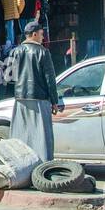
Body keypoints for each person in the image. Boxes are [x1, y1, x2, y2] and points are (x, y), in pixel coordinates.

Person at [7, 21, 62, 161]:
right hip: (39, 98)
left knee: (21, 134)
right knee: (42, 136)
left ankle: (21, 163)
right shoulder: (43, 52)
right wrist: (54, 101)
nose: (43, 38)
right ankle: (43, 166)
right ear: (35, 34)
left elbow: (9, 77)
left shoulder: (15, 51)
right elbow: (50, 79)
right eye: (42, 34)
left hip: (20, 98)